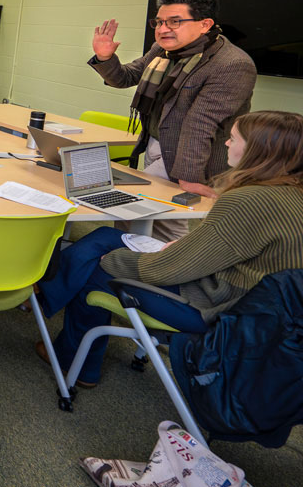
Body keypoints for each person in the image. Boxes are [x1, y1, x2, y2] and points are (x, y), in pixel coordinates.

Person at [37, 110, 303, 388]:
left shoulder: (248, 201)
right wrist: (185, 248)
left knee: (95, 267)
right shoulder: (291, 193)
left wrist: (115, 261)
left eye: (233, 139)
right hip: (265, 316)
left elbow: (168, 269)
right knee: (105, 235)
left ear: (259, 152)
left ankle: (75, 363)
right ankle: (46, 291)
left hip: (219, 311)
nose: (225, 143)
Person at [88, 0, 256, 240]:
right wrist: (105, 56)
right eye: (160, 21)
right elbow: (126, 78)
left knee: (159, 218)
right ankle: (129, 257)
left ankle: (160, 268)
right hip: (158, 144)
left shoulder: (231, 64)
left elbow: (199, 124)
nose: (163, 28)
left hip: (192, 154)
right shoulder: (162, 50)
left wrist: (187, 177)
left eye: (175, 21)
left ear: (205, 24)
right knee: (141, 213)